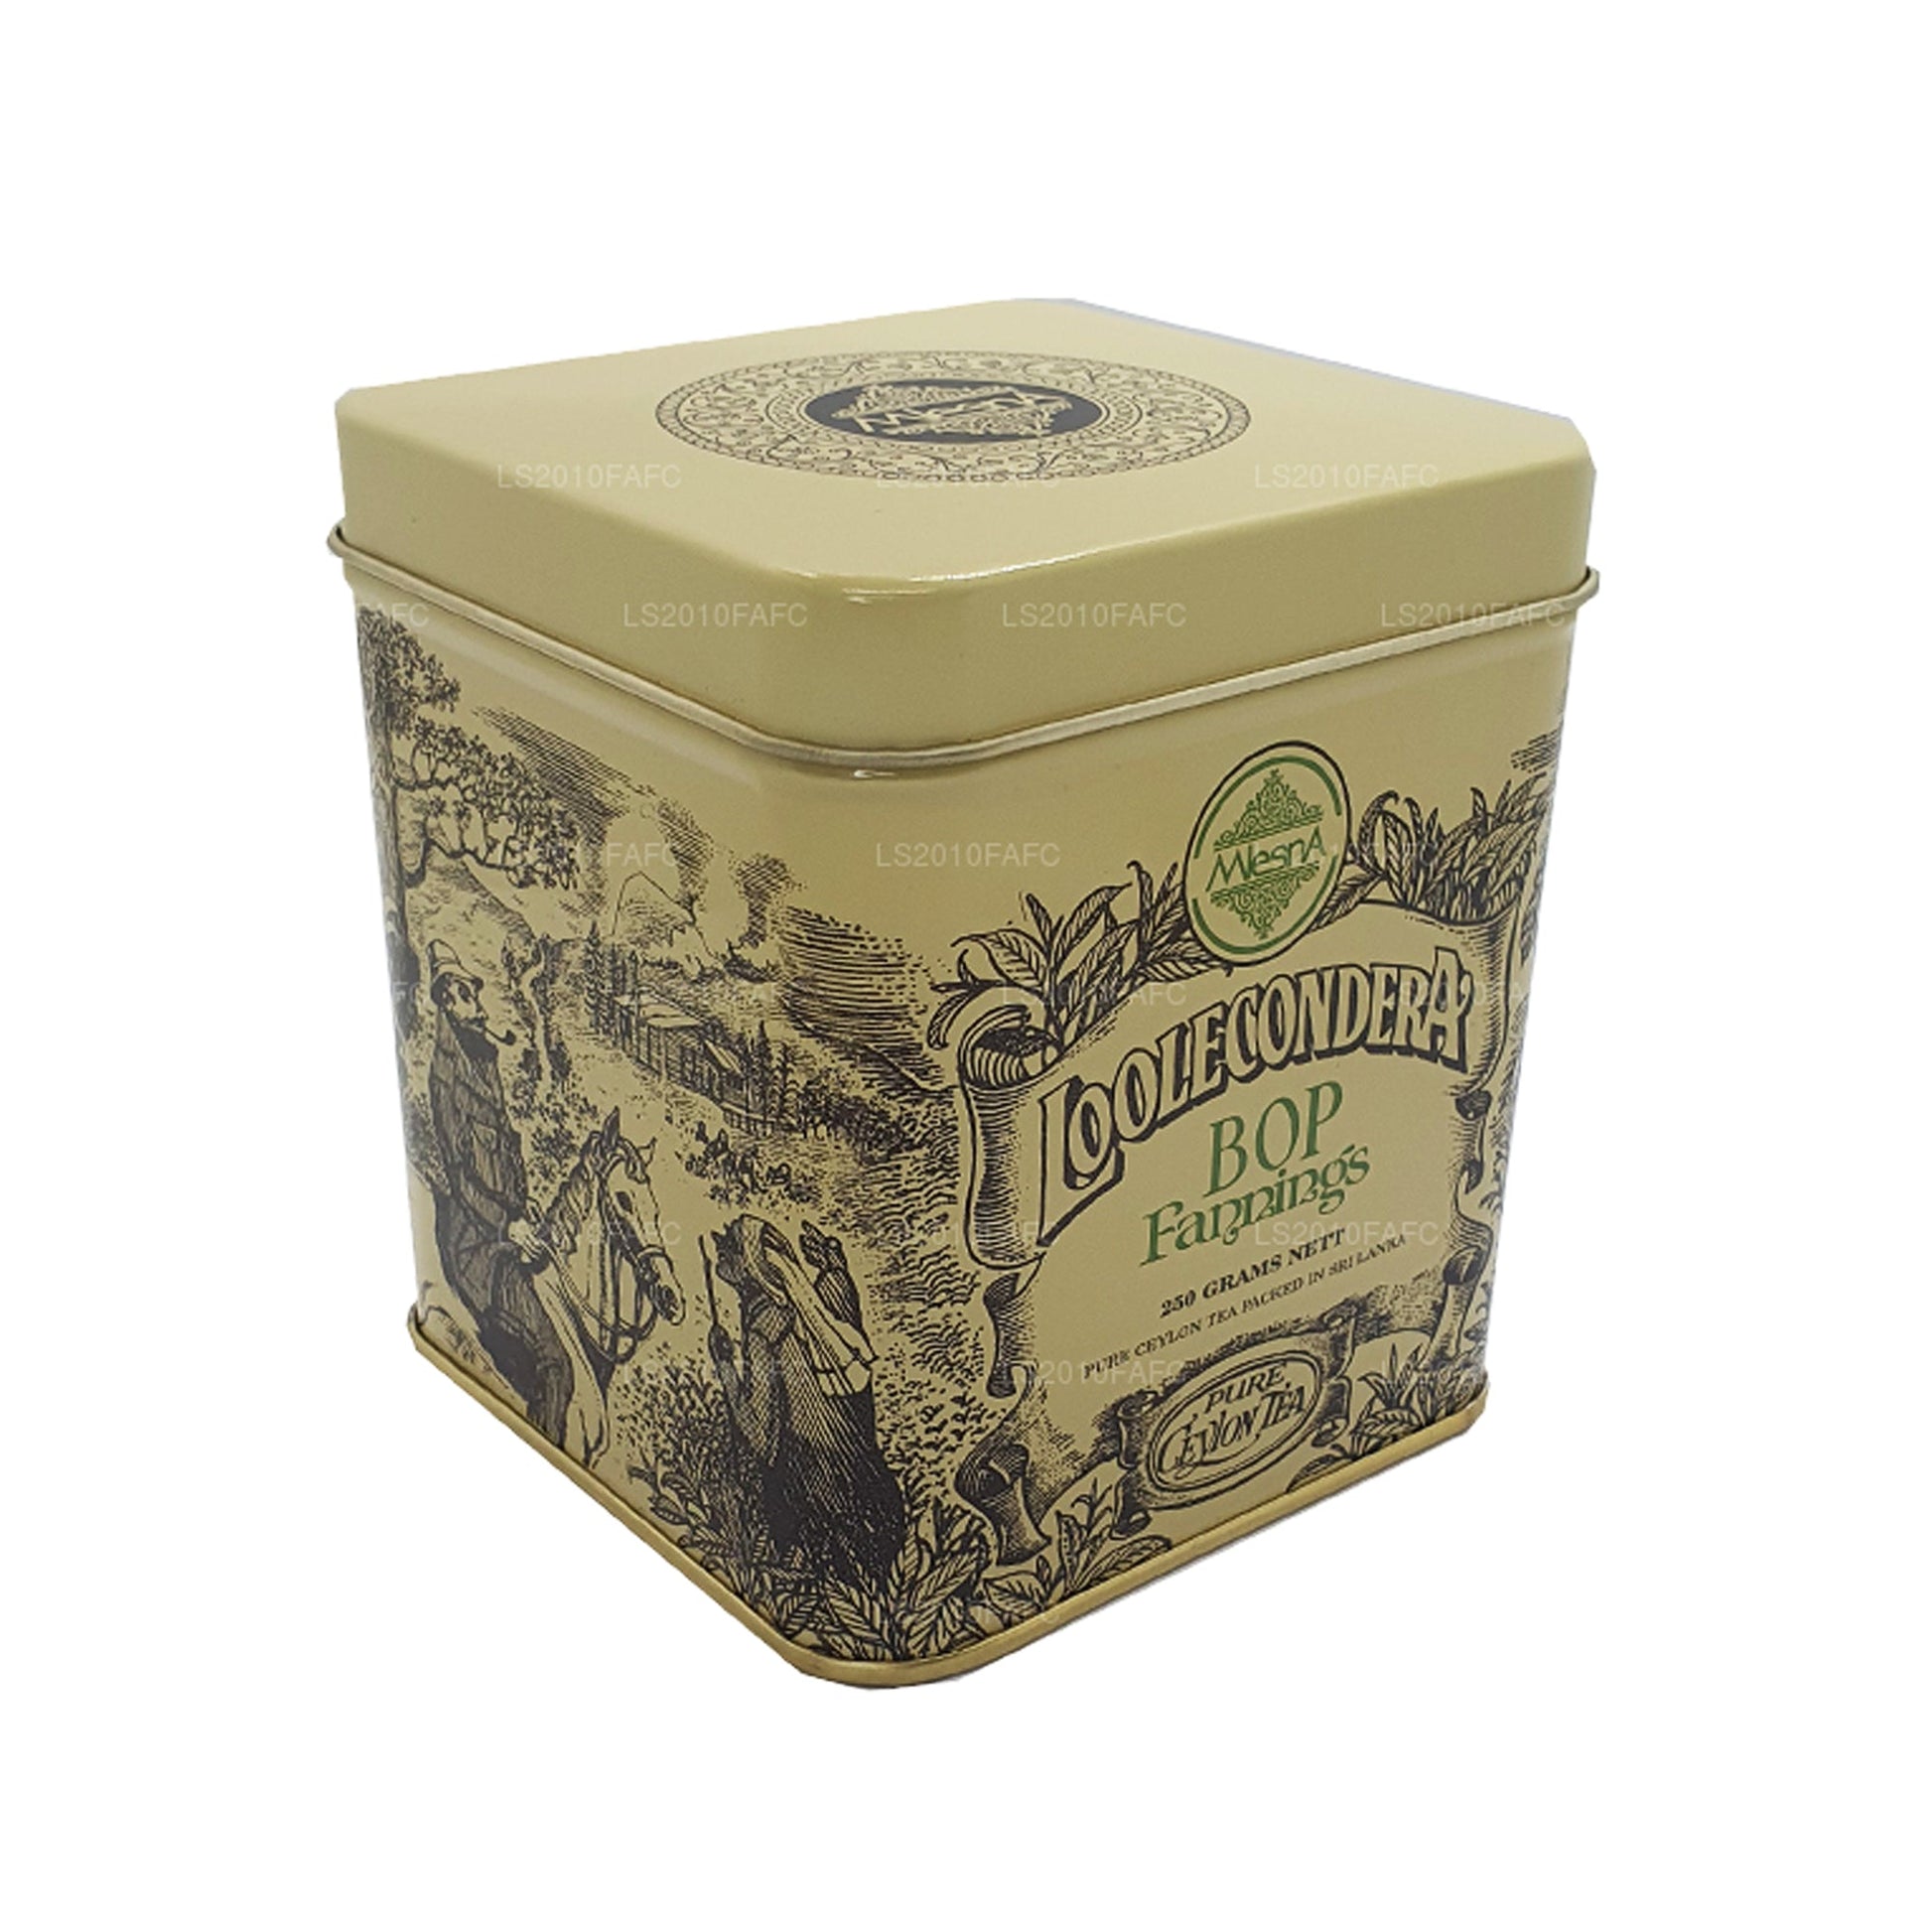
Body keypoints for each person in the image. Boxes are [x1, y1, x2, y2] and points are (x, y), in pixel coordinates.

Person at [424, 942, 573, 1447]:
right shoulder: (445, 1079)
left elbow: (504, 1146)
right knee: (557, 1364)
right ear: (447, 1001)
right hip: (478, 1245)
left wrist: (525, 1206)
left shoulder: (482, 1057)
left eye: (474, 994)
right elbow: (461, 1179)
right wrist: (507, 1225)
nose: (478, 1006)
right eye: (466, 996)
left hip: (509, 1227)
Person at [706, 1214, 905, 1587]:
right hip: (880, 1507)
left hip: (816, 1517)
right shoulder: (824, 1307)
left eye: (729, 1243)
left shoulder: (764, 1329)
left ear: (747, 1265)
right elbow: (839, 1290)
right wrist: (832, 1265)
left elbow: (762, 1440)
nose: (718, 1244)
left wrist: (726, 1370)